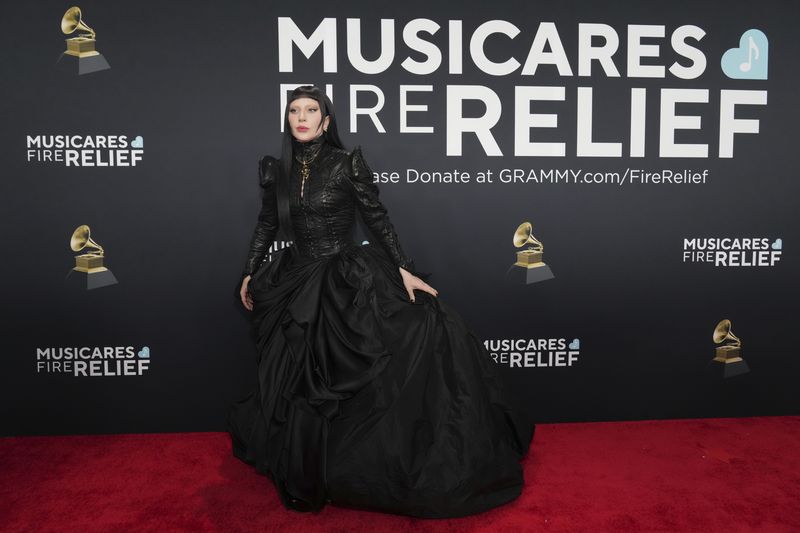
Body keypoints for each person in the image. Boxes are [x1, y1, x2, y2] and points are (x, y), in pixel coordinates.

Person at [227, 85, 534, 518]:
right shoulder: (275, 170)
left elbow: (376, 217)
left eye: (311, 110)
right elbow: (266, 223)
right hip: (295, 278)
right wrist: (248, 270)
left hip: (341, 276)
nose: (302, 117)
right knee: (300, 376)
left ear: (326, 121)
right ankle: (310, 461)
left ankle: (360, 465)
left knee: (395, 344)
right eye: (294, 110)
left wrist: (404, 268)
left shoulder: (345, 163)